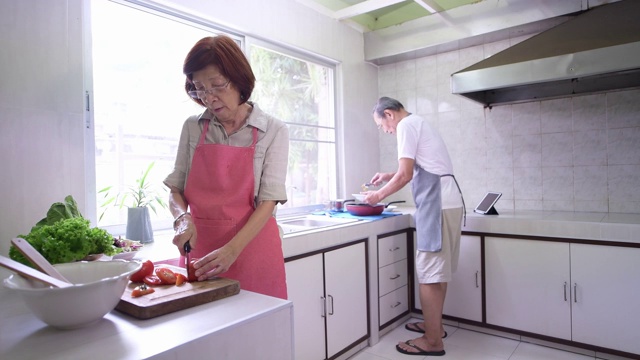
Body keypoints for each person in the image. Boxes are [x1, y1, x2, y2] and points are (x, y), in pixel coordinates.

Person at [164, 35, 289, 299]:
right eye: (199, 88)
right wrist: (180, 218)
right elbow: (175, 190)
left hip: (253, 251)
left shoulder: (273, 130)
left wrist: (233, 250)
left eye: (217, 85)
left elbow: (269, 201)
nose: (209, 97)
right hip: (201, 255)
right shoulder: (192, 127)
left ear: (239, 79)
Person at [363, 97, 464, 356]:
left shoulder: (406, 125)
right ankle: (434, 328)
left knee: (429, 276)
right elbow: (419, 168)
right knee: (437, 273)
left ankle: (432, 341)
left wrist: (378, 196)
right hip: (448, 202)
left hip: (436, 204)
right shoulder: (418, 122)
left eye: (381, 125)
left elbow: (405, 174)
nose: (385, 131)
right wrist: (388, 175)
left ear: (389, 114)